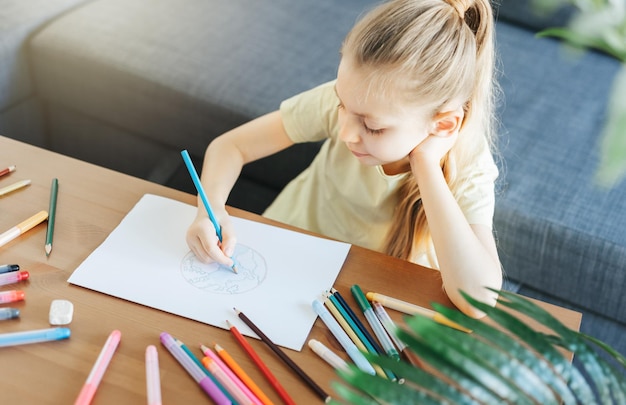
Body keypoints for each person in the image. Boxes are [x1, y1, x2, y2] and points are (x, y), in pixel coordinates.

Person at [186, 0, 502, 318]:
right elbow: (231, 147)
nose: (347, 132)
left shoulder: (470, 165)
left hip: (363, 305)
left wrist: (426, 164)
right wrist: (208, 210)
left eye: (373, 127)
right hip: (284, 256)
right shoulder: (356, 101)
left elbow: (479, 300)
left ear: (444, 124)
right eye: (341, 103)